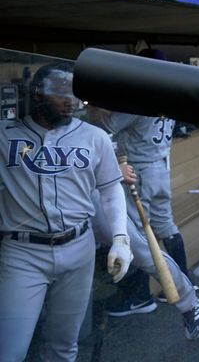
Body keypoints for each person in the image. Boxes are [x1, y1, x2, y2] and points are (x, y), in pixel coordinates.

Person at [0, 63, 132, 361]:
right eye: (62, 93)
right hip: (22, 252)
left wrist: (121, 239)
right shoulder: (4, 135)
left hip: (79, 246)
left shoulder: (94, 137)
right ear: (37, 94)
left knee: (64, 345)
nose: (72, 101)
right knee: (10, 350)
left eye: (76, 94)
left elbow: (111, 191)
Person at [98, 48, 190, 315]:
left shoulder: (141, 98)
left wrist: (97, 107)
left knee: (136, 235)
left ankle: (139, 297)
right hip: (161, 167)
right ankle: (184, 282)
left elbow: (106, 126)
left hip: (140, 171)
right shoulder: (168, 93)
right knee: (165, 225)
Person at [90, 163, 199, 339]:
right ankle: (141, 297)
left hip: (127, 179)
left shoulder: (90, 136)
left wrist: (111, 170)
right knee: (161, 227)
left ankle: (186, 302)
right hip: (155, 167)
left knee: (142, 249)